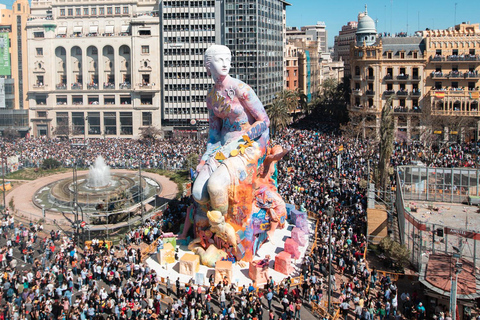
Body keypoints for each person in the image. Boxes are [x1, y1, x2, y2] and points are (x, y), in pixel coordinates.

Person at [192, 44, 270, 216]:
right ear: (208, 65)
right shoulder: (211, 97)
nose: (225, 63)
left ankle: (223, 230)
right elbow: (214, 134)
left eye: (228, 59)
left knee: (215, 185)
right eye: (220, 60)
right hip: (222, 147)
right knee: (198, 193)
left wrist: (239, 141)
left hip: (246, 146)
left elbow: (264, 120)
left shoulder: (240, 89)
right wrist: (205, 159)